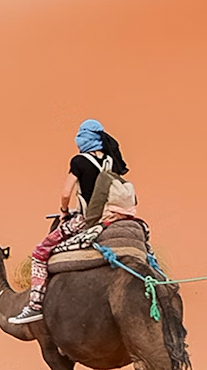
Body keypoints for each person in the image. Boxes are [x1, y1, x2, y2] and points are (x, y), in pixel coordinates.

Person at [9, 119, 131, 324]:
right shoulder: (112, 160)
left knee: (40, 253)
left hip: (87, 220)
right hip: (115, 216)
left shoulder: (79, 161)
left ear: (86, 138)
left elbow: (66, 193)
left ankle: (35, 305)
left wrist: (64, 211)